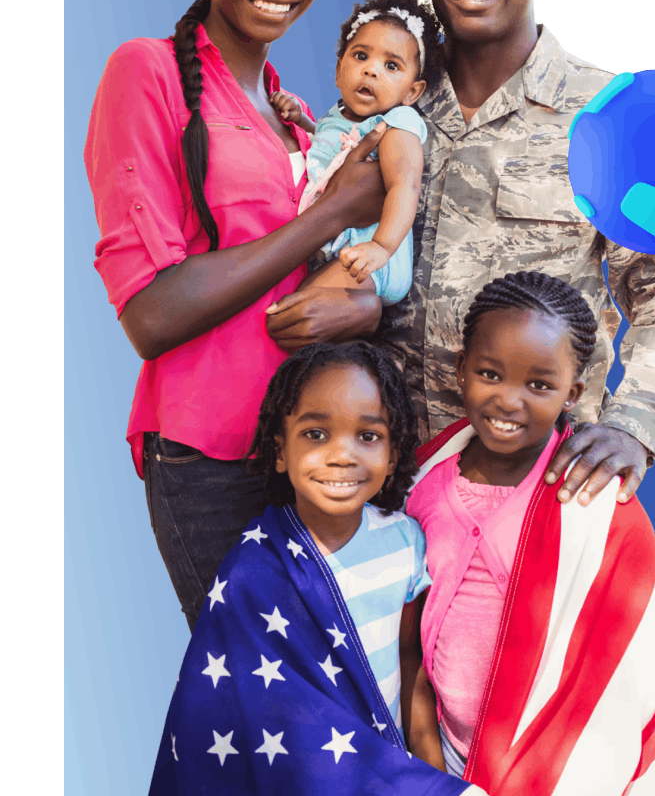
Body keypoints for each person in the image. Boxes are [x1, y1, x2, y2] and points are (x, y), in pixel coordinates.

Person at [267, 0, 655, 511]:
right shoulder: (388, 97)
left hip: (530, 485)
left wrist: (636, 421)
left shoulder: (608, 117)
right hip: (376, 478)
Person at [83, 0, 388, 633]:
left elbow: (322, 274)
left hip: (308, 448)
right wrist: (330, 213)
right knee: (257, 687)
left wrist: (356, 303)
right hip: (209, 455)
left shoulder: (295, 116)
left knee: (326, 683)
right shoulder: (147, 72)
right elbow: (151, 314)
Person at [149, 340, 488, 795]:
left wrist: (434, 777)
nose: (342, 455)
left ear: (392, 456)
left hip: (384, 770)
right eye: (315, 434)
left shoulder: (406, 541)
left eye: (368, 436)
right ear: (279, 451)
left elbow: (410, 664)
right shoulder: (253, 570)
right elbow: (254, 707)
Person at [406, 270, 655, 795]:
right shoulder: (423, 487)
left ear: (572, 393)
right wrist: (431, 766)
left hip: (552, 766)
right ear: (461, 370)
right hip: (441, 752)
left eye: (538, 385)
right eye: (490, 374)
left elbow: (634, 657)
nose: (509, 401)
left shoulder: (592, 505)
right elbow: (409, 646)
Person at [268, 0, 444, 306]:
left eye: (391, 66)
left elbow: (405, 185)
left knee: (294, 309)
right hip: (336, 250)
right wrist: (301, 120)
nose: (371, 71)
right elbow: (330, 148)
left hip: (370, 259)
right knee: (289, 305)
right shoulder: (337, 115)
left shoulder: (397, 123)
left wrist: (381, 247)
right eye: (361, 56)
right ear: (338, 71)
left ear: (412, 92)